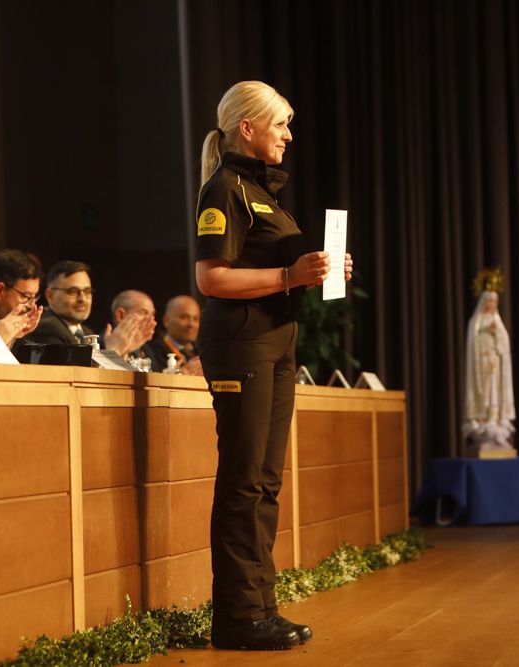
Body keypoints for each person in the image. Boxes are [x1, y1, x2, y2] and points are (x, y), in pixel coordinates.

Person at [195, 80, 352, 651]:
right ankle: (237, 617)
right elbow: (211, 278)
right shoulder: (224, 190)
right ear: (248, 128)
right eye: (280, 123)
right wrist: (290, 276)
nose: (288, 134)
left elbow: (278, 266)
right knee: (242, 481)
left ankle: (260, 608)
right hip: (242, 342)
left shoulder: (265, 193)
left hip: (277, 341)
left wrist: (320, 270)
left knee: (264, 481)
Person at [26, 260, 153, 356]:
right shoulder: (46, 327)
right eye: (73, 291)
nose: (82, 299)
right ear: (50, 295)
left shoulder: (88, 333)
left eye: (87, 291)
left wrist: (124, 352)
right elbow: (76, 378)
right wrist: (113, 352)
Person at [462, 279, 515, 453]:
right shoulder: (476, 323)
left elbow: (504, 346)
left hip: (495, 366)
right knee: (483, 393)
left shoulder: (498, 322)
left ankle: (495, 418)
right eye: (489, 301)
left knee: (494, 392)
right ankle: (482, 419)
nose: (492, 304)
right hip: (481, 365)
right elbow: (473, 344)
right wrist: (485, 332)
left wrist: (497, 335)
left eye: (495, 301)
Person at [143, 294, 203, 374]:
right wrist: (181, 375)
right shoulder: (150, 352)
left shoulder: (203, 352)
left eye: (196, 319)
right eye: (184, 317)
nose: (191, 324)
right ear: (166, 320)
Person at [106, 289, 157, 365]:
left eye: (152, 314)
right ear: (121, 315)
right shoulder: (101, 346)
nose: (151, 320)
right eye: (144, 313)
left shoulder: (146, 349)